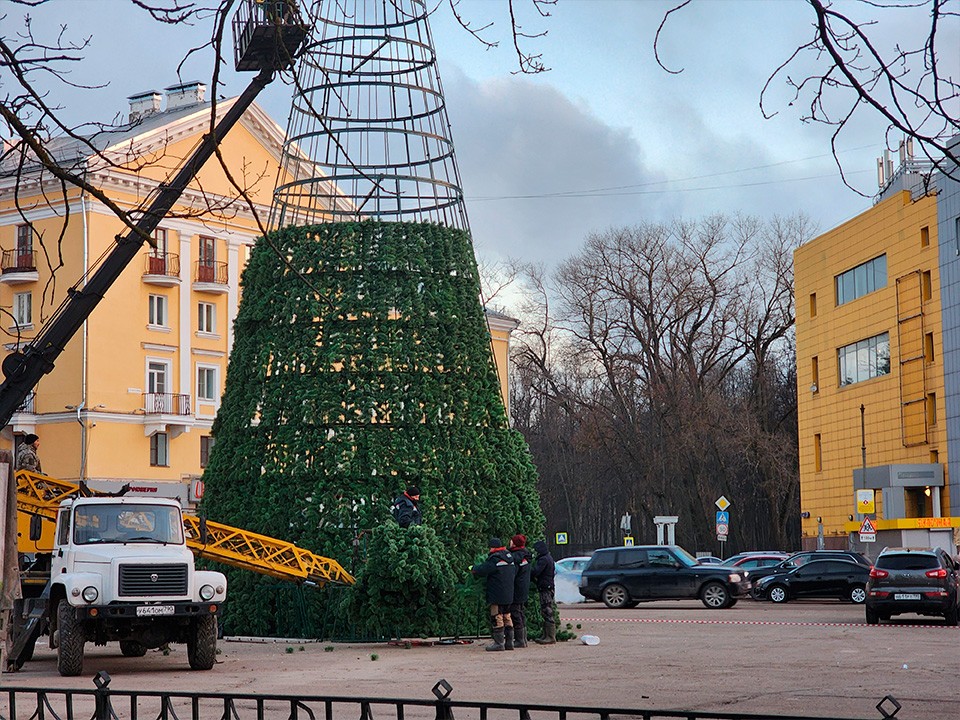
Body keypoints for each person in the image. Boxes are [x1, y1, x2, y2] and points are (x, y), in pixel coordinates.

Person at [471, 536, 516, 651]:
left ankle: (499, 643)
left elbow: (483, 569)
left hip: (497, 593)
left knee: (496, 616)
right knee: (507, 615)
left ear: (492, 547)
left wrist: (473, 568)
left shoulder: (495, 558)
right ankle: (509, 643)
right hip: (509, 593)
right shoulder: (509, 558)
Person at [508, 534, 532, 648]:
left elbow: (513, 574)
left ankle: (519, 640)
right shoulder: (525, 555)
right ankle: (523, 638)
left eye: (511, 541)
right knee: (520, 612)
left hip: (516, 588)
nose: (510, 542)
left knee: (515, 612)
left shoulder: (516, 557)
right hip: (523, 588)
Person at [530, 539, 556, 644]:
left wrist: (529, 570)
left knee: (547, 610)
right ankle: (546, 635)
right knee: (545, 610)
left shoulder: (543, 560)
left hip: (546, 587)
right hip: (547, 586)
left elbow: (536, 571)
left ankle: (550, 636)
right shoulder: (548, 558)